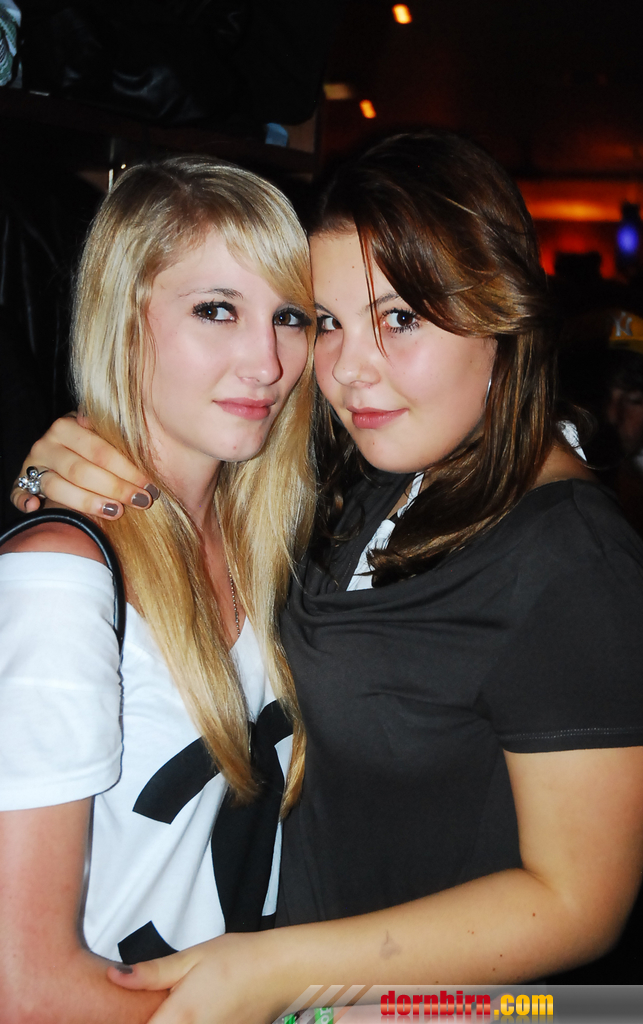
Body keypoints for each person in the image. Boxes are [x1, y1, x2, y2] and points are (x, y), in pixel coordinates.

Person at [12, 132, 643, 1021]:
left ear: (500, 313)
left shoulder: (574, 565)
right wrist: (48, 474)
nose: (344, 369)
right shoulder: (358, 485)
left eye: (398, 318)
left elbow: (578, 904)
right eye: (326, 320)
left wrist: (273, 974)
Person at [0, 155, 316, 1023]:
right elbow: (25, 990)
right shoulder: (61, 576)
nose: (267, 361)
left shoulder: (277, 545)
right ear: (126, 316)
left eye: (289, 316)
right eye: (217, 309)